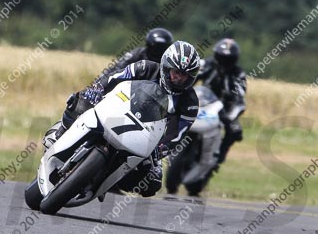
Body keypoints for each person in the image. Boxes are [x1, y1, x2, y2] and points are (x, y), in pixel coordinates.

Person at [43, 41, 200, 197]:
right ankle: (59, 134)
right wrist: (97, 89)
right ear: (166, 66)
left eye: (185, 76)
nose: (179, 79)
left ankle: (108, 181)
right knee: (80, 100)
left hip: (148, 139)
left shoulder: (190, 102)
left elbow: (177, 135)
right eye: (176, 72)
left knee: (152, 182)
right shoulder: (145, 67)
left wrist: (161, 149)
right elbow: (114, 77)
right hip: (117, 112)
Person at [195, 38, 247, 167]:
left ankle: (219, 156)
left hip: (224, 108)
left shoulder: (239, 74)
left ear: (234, 59)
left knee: (235, 131)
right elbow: (191, 77)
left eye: (228, 59)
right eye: (221, 57)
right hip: (203, 101)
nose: (224, 62)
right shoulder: (206, 64)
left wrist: (231, 116)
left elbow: (240, 97)